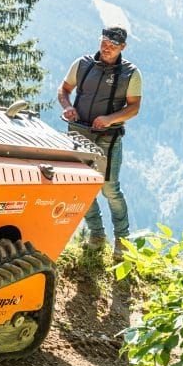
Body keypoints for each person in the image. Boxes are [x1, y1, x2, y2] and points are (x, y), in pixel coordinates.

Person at [57, 26, 142, 261]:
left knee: (109, 189)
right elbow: (64, 90)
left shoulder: (130, 73)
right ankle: (96, 235)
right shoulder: (82, 64)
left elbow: (134, 108)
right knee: (80, 187)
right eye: (104, 43)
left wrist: (110, 119)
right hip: (78, 134)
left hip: (108, 138)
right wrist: (68, 108)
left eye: (112, 46)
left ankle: (122, 242)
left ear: (122, 47)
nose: (106, 48)